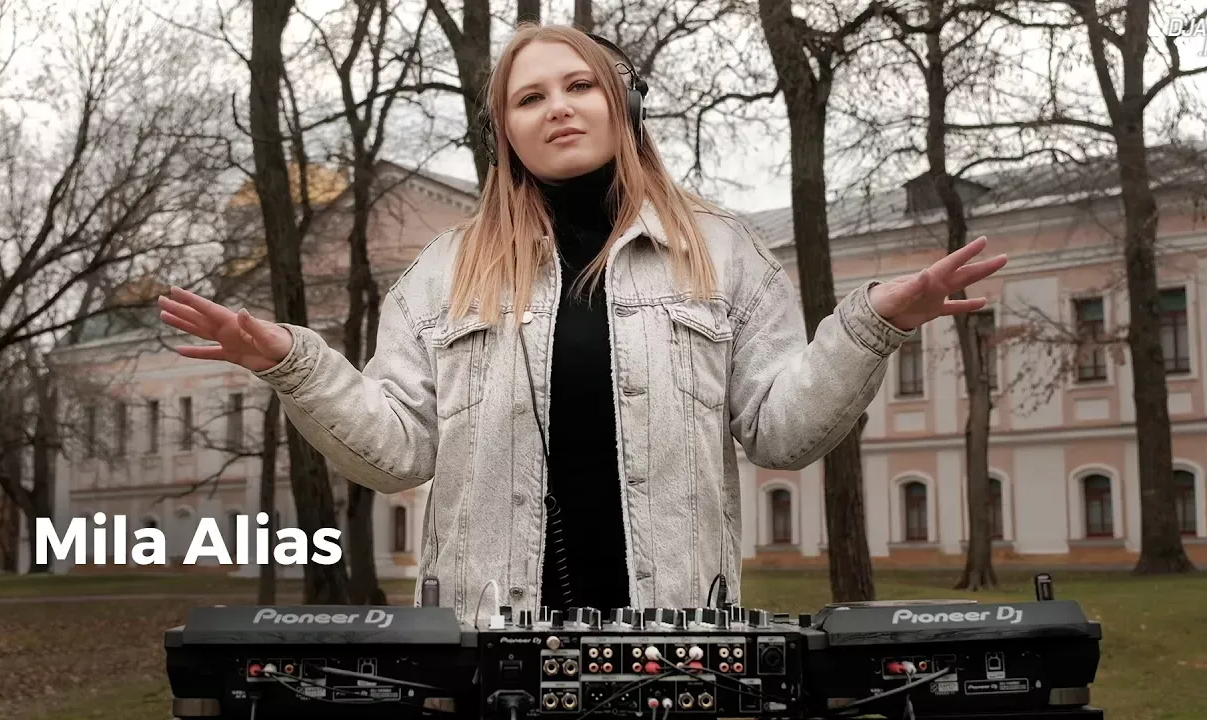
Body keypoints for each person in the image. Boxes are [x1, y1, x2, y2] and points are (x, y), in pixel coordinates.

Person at [157, 23, 1005, 624]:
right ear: (504, 132)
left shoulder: (722, 252)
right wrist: (294, 364)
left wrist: (873, 326)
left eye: (579, 86)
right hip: (485, 652)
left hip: (675, 648)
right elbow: (397, 452)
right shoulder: (442, 275)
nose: (557, 108)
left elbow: (780, 433)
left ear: (622, 102)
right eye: (529, 98)